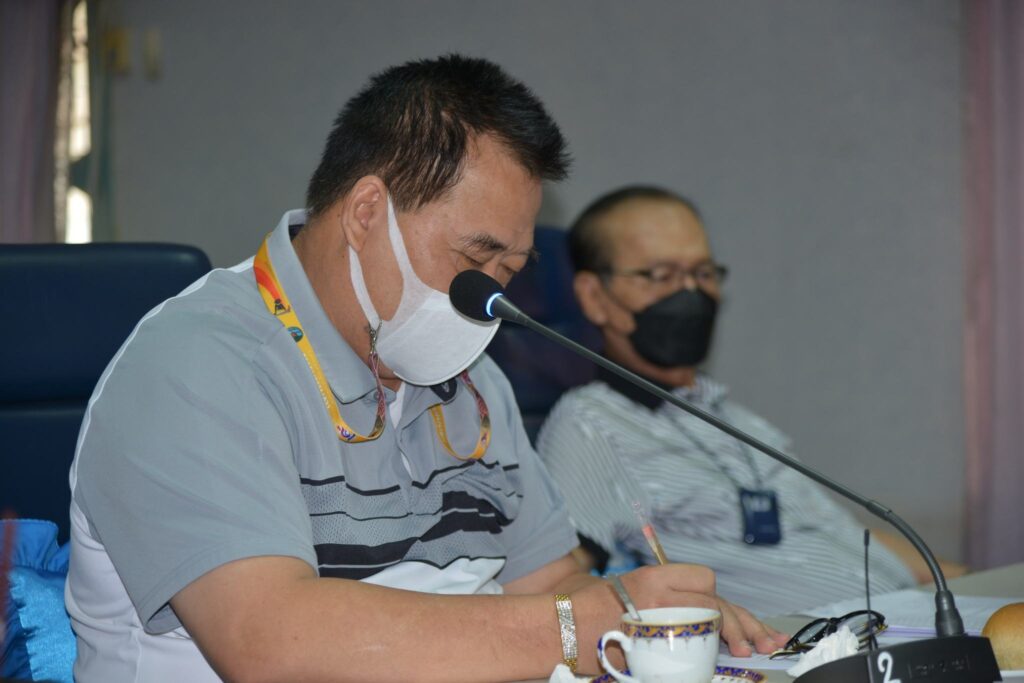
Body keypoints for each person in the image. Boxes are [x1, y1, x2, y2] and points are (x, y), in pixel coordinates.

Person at [65, 58, 786, 682]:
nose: (490, 302)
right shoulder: (200, 360)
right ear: (366, 212)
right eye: (475, 261)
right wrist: (575, 626)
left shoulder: (471, 379)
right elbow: (270, 642)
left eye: (510, 271)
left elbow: (552, 583)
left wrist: (649, 614)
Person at [537, 186, 966, 617]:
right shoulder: (591, 423)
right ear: (594, 296)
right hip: (807, 646)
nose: (691, 292)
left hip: (909, 617)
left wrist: (967, 582)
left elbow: (837, 533)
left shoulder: (736, 420)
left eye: (703, 273)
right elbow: (560, 584)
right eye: (662, 275)